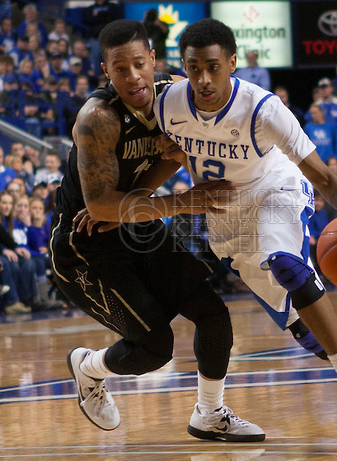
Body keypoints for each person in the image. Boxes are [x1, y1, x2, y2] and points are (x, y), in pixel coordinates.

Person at [155, 17, 337, 437]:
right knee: (311, 337)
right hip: (227, 218)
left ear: (234, 63)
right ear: (182, 66)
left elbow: (325, 178)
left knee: (285, 263)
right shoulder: (166, 102)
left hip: (275, 190)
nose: (203, 78)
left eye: (213, 67)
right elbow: (140, 87)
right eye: (193, 68)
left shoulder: (263, 108)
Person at [50, 19, 277, 442]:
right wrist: (179, 202)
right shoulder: (97, 118)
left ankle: (209, 414)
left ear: (152, 59)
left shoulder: (173, 96)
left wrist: (134, 202)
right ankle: (88, 367)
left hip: (135, 224)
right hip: (84, 245)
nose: (132, 75)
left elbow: (174, 157)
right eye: (120, 69)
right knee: (155, 348)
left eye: (139, 63)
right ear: (106, 72)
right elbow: (99, 205)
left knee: (214, 316)